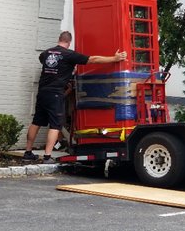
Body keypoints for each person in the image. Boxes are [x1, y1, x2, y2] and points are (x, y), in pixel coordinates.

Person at [23, 31, 127, 164]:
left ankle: (28, 152)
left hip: (42, 92)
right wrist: (114, 58)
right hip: (55, 94)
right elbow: (92, 59)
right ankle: (47, 157)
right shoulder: (69, 55)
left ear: (59, 39)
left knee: (36, 121)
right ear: (69, 42)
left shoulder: (46, 53)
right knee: (55, 125)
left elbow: (44, 61)